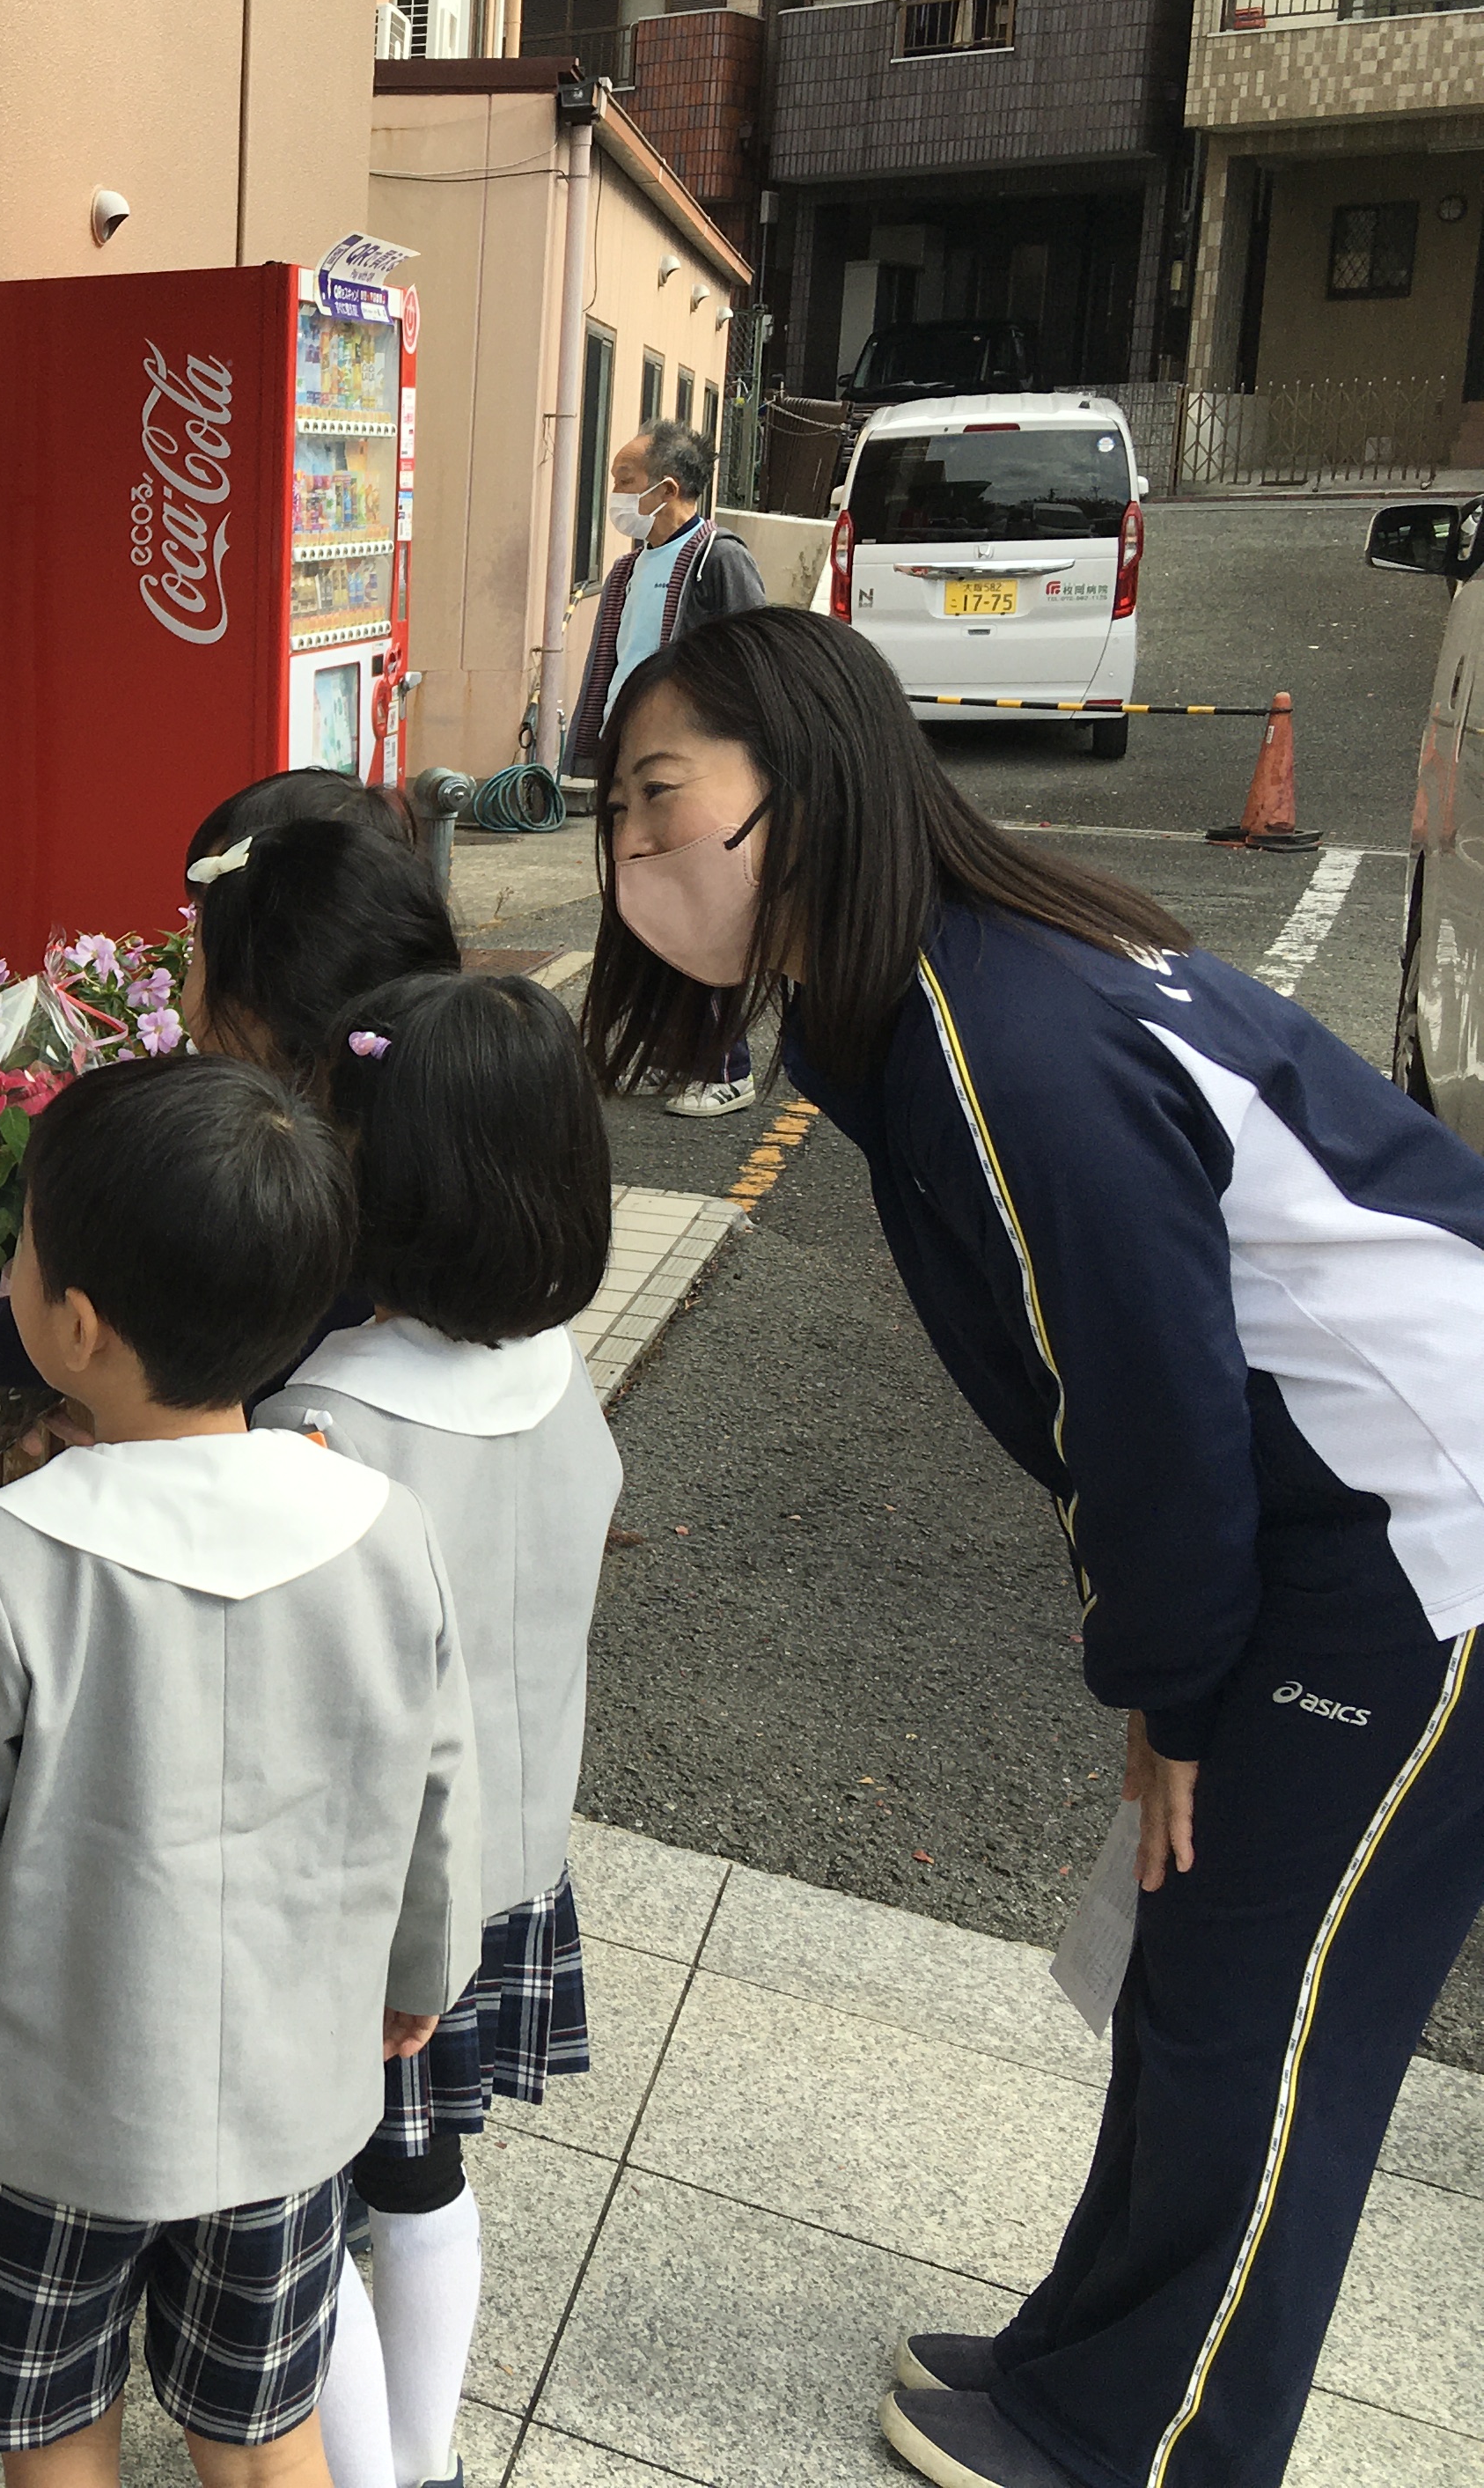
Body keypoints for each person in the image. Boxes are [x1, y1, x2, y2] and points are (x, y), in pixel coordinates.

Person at [583, 607, 1484, 2488]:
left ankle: (1149, 2442)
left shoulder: (1009, 1028)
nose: (632, 858)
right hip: (1351, 1503)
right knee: (1201, 1971)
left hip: (1428, 1536)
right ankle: (1088, 2356)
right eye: (615, 817)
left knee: (1264, 2008)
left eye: (660, 801)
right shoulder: (931, 982)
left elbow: (1143, 1415)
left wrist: (1169, 1694)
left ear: (805, 785)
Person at [0, 1054, 479, 2488]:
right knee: (267, 2434)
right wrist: (421, 1966)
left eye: (16, 1249)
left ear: (69, 1325)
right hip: (289, 2100)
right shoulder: (381, 1526)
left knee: (56, 2433)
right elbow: (433, 1778)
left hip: (45, 2119)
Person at [257, 971, 621, 2488]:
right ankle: (424, 2461)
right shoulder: (557, 1381)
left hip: (355, 1910)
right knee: (422, 2165)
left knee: (297, 2215)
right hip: (508, 1865)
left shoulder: (320, 1422)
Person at [0, 802, 461, 1410]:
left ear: (246, 1008)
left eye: (195, 947)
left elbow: (96, 1306)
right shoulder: (438, 1147)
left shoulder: (236, 1159)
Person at [560, 416, 767, 1120]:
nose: (614, 493)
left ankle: (726, 1064)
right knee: (641, 911)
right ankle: (670, 1050)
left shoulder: (719, 558)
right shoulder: (629, 568)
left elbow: (754, 666)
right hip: (633, 767)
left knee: (704, 910)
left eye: (624, 480)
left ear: (667, 489)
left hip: (692, 774)